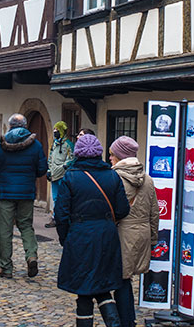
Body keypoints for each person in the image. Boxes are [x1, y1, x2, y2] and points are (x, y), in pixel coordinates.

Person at [55, 133, 129, 327]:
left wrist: (65, 238)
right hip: (106, 235)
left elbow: (61, 214)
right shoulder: (112, 175)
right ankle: (114, 324)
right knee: (102, 285)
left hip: (80, 234)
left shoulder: (71, 177)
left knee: (84, 288)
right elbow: (122, 209)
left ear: (78, 153)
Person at [0, 113, 47, 279]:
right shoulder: (35, 146)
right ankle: (31, 256)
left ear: (10, 126)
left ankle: (6, 267)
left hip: (5, 192)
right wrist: (30, 176)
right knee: (26, 225)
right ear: (26, 126)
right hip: (26, 192)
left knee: (5, 230)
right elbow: (42, 169)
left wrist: (0, 179)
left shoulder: (0, 144)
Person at [109, 136, 160, 327]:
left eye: (112, 154)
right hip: (142, 233)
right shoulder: (147, 178)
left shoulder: (115, 177)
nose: (110, 158)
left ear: (120, 156)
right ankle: (127, 318)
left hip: (123, 232)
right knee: (125, 278)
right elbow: (154, 212)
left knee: (121, 279)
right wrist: (153, 237)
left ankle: (125, 320)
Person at [46, 121, 73, 228]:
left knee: (64, 198)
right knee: (55, 197)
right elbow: (51, 158)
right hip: (54, 175)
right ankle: (55, 218)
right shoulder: (55, 144)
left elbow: (71, 158)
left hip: (63, 175)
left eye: (57, 130)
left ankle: (64, 218)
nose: (55, 132)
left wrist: (64, 167)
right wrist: (49, 170)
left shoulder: (68, 145)